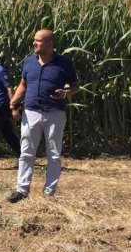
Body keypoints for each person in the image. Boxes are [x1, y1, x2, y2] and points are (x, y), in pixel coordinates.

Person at [6, 30, 80, 202]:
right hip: (31, 112)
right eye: (34, 40)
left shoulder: (64, 63)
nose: (34, 43)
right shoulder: (29, 62)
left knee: (53, 154)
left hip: (55, 113)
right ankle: (22, 190)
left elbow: (76, 86)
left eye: (38, 41)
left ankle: (49, 191)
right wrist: (13, 104)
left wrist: (65, 92)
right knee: (26, 152)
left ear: (49, 43)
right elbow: (23, 84)